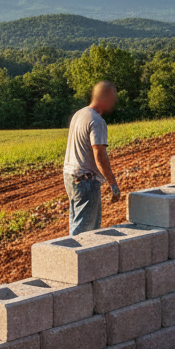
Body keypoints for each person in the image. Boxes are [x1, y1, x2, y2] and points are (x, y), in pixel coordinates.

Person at [63, 81, 120, 235]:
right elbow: (100, 156)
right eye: (113, 97)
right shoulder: (97, 121)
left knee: (81, 224)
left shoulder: (79, 114)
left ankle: (83, 258)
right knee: (84, 232)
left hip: (70, 175)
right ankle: (73, 258)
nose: (114, 102)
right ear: (105, 97)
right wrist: (113, 183)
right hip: (86, 179)